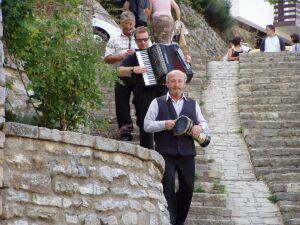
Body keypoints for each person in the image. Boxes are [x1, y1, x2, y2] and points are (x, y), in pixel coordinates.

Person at [144, 70, 208, 225]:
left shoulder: (193, 103)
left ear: (184, 84)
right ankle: (170, 220)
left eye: (179, 81)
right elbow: (146, 125)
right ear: (167, 84)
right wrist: (163, 124)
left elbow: (205, 124)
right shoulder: (157, 102)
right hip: (165, 153)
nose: (176, 84)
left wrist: (200, 128)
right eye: (173, 81)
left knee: (188, 188)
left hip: (187, 153)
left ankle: (178, 221)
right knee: (168, 184)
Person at [118, 26, 168, 149]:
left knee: (165, 127)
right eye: (140, 40)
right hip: (144, 96)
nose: (143, 43)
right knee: (146, 128)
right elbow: (119, 71)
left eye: (145, 39)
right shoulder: (135, 56)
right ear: (135, 41)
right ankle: (147, 155)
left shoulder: (161, 50)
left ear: (149, 38)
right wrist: (133, 69)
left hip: (163, 93)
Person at [104, 11, 137, 141]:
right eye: (126, 24)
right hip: (121, 74)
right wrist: (122, 56)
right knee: (122, 105)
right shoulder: (114, 37)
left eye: (131, 24)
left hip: (137, 74)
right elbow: (107, 58)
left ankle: (144, 129)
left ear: (135, 23)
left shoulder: (140, 35)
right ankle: (125, 132)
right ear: (121, 24)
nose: (129, 27)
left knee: (141, 102)